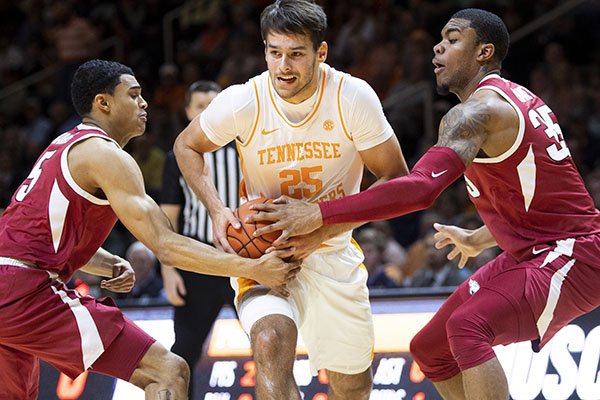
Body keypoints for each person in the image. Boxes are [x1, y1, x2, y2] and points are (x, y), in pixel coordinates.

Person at [247, 8, 600, 399]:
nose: (438, 47)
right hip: (541, 248)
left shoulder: (477, 113)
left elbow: (418, 189)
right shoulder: (516, 99)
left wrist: (318, 213)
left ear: (484, 52)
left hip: (573, 255)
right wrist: (484, 236)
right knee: (430, 349)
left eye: (452, 40)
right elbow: (547, 194)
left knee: (469, 327)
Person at [0, 59, 299, 400]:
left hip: (11, 280)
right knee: (168, 370)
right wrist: (253, 268)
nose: (144, 103)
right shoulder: (104, 154)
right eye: (134, 94)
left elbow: (35, 238)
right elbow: (166, 245)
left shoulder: (63, 145)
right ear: (103, 103)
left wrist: (108, 263)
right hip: (24, 292)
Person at [174, 1, 408, 398]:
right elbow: (187, 146)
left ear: (321, 52)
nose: (283, 66)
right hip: (264, 253)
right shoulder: (245, 100)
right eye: (274, 52)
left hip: (332, 249)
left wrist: (320, 228)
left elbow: (396, 179)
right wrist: (217, 209)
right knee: (269, 340)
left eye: (296, 54)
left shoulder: (351, 96)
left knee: (352, 385)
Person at [160, 80, 241, 397]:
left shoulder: (249, 151)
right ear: (188, 112)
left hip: (245, 260)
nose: (208, 112)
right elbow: (168, 218)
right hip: (197, 261)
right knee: (184, 353)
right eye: (200, 106)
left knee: (269, 343)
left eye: (214, 105)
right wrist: (167, 270)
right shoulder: (175, 157)